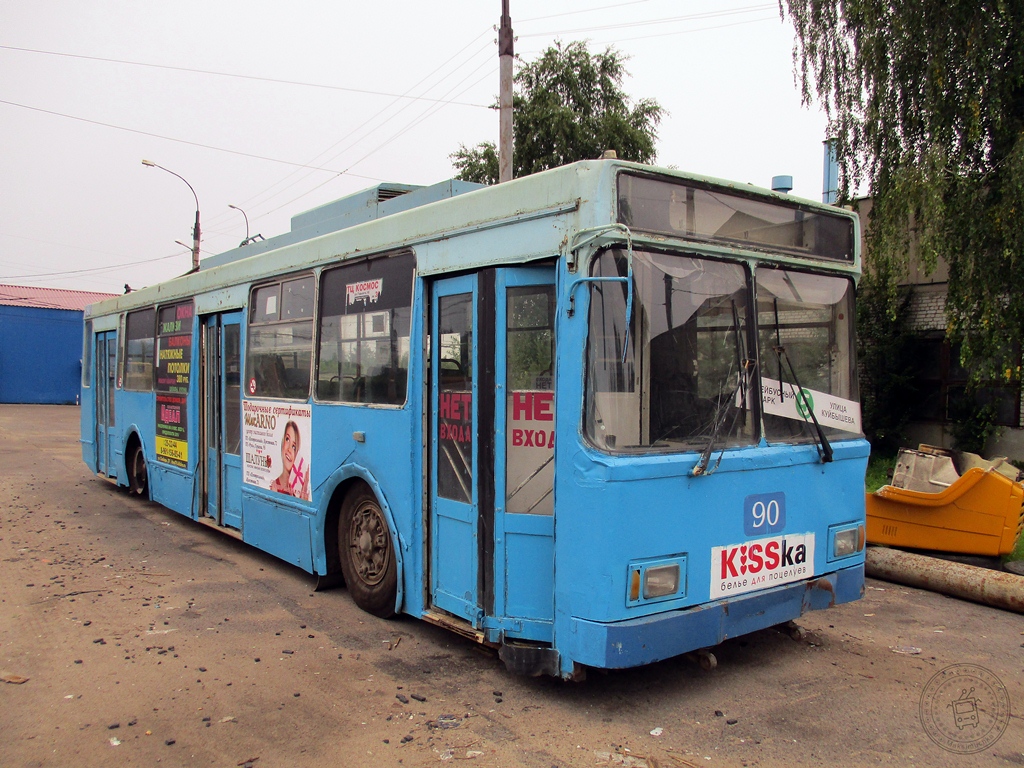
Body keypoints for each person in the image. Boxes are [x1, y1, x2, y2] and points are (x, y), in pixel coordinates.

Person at [269, 420, 310, 500]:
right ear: (282, 442)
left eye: (293, 446)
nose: (289, 450)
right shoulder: (274, 486)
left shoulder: (302, 491)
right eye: (287, 439)